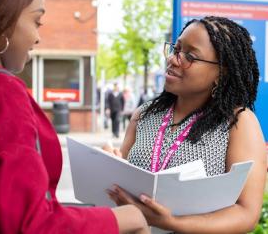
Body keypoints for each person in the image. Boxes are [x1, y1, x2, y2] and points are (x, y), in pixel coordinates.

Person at [0, 0, 150, 233]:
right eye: (37, 21)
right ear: (2, 21)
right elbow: (29, 224)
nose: (37, 37)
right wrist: (127, 218)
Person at [105, 16, 267, 233]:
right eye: (176, 49)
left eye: (190, 56)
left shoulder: (238, 122)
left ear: (222, 71)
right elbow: (119, 187)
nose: (173, 59)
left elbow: (246, 213)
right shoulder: (143, 115)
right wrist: (109, 165)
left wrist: (170, 223)